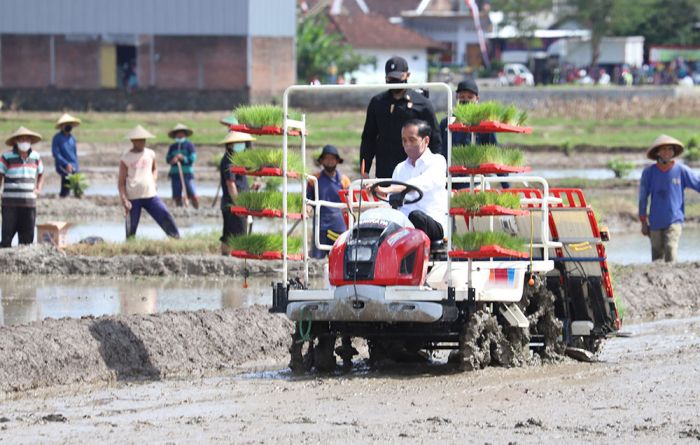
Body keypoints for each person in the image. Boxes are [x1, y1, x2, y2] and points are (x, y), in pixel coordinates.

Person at [360, 56, 441, 179]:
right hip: (385, 170)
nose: (394, 81)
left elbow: (435, 139)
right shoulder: (377, 102)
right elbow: (368, 138)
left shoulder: (422, 103)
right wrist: (365, 170)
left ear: (407, 75)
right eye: (391, 78)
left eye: (398, 77)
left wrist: (437, 170)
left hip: (414, 170)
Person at [370, 119, 447, 242]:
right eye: (404, 140)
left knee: (416, 216)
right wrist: (370, 209)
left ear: (426, 140)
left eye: (412, 140)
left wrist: (387, 189)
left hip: (431, 224)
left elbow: (421, 184)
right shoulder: (400, 168)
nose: (407, 144)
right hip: (403, 227)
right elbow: (391, 201)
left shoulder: (437, 161)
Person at [639, 134, 700, 263]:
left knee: (671, 249)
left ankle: (672, 280)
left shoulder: (681, 170)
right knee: (656, 257)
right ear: (657, 152)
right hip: (655, 221)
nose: (667, 152)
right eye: (664, 149)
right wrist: (644, 222)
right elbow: (643, 198)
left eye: (670, 149)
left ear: (674, 152)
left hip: (674, 219)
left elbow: (697, 183)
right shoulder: (649, 173)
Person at [118, 125, 179, 239]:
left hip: (150, 195)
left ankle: (176, 239)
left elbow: (154, 168)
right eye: (139, 140)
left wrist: (154, 180)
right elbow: (121, 183)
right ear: (132, 141)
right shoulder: (125, 158)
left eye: (144, 139)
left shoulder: (150, 153)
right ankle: (130, 247)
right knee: (131, 228)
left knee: (164, 214)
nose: (142, 142)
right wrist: (124, 200)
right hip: (133, 198)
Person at [0, 127, 44, 247]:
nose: (24, 141)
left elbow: (41, 174)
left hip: (29, 203)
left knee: (27, 240)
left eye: (27, 139)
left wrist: (38, 188)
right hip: (10, 203)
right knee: (6, 238)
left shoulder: (36, 157)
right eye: (21, 139)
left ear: (30, 141)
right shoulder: (6, 157)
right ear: (16, 141)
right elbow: (0, 175)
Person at [307, 145, 351, 258]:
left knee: (339, 258)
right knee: (317, 259)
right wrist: (308, 208)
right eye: (327, 158)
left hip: (339, 225)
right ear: (322, 161)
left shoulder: (344, 181)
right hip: (321, 225)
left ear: (337, 161)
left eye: (332, 158)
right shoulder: (314, 180)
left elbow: (350, 201)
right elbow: (309, 200)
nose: (329, 161)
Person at [439, 78, 496, 159]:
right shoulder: (446, 123)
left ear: (477, 99)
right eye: (462, 97)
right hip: (448, 169)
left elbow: (493, 150)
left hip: (475, 170)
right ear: (456, 98)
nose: (465, 100)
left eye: (470, 97)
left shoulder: (484, 124)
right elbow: (437, 148)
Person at [219, 131, 255, 255]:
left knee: (228, 236)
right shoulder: (229, 161)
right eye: (239, 143)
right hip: (234, 205)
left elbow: (240, 182)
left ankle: (225, 260)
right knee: (239, 235)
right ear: (230, 145)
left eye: (243, 143)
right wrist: (239, 205)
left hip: (230, 204)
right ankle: (238, 261)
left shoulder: (237, 159)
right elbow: (231, 184)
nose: (242, 145)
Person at [166, 123, 199, 209]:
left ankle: (196, 208)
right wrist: (173, 160)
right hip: (175, 173)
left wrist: (183, 158)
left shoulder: (189, 145)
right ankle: (179, 209)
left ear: (185, 134)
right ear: (175, 135)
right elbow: (167, 159)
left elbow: (193, 158)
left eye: (181, 133)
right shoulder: (172, 147)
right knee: (177, 194)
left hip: (187, 173)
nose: (180, 135)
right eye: (178, 133)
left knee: (192, 193)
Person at [52, 113, 81, 198]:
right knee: (66, 178)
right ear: (62, 126)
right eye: (66, 124)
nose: (69, 126)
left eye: (70, 124)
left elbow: (74, 154)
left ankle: (76, 195)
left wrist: (76, 166)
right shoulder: (57, 138)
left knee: (77, 183)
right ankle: (63, 195)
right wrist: (66, 164)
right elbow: (56, 153)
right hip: (62, 165)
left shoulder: (73, 138)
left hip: (73, 164)